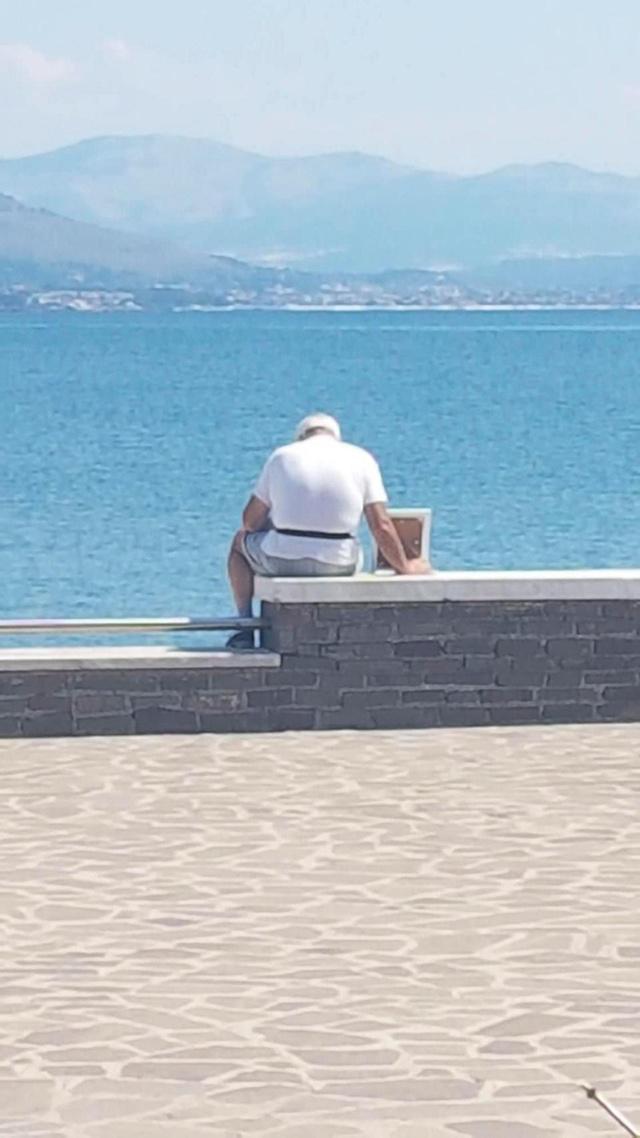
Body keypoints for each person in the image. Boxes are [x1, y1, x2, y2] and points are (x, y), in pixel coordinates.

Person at [227, 413, 430, 648]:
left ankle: (244, 625)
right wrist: (404, 567)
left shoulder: (281, 457)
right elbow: (381, 525)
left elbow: (249, 522)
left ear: (301, 436)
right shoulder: (362, 459)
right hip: (340, 564)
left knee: (238, 544)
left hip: (282, 559)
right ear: (335, 436)